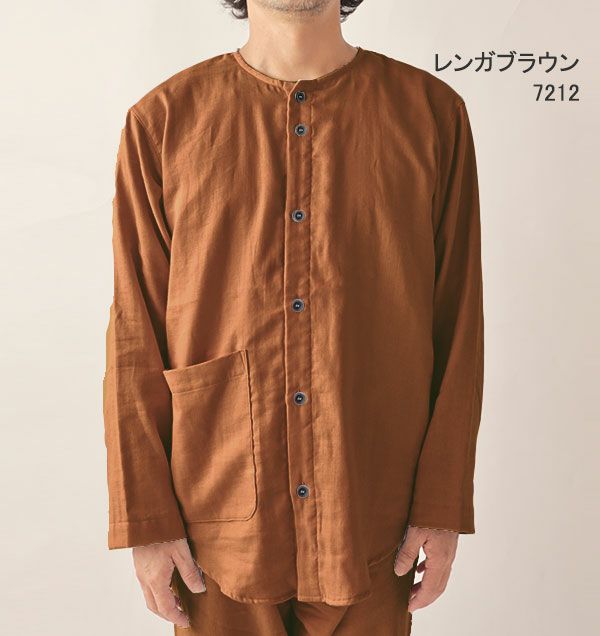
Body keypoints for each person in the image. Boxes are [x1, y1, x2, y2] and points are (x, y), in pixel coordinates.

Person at [102, 1, 485, 633]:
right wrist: (146, 518)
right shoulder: (164, 122)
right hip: (214, 519)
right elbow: (133, 333)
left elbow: (459, 320)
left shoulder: (431, 114)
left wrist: (442, 503)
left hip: (373, 509)